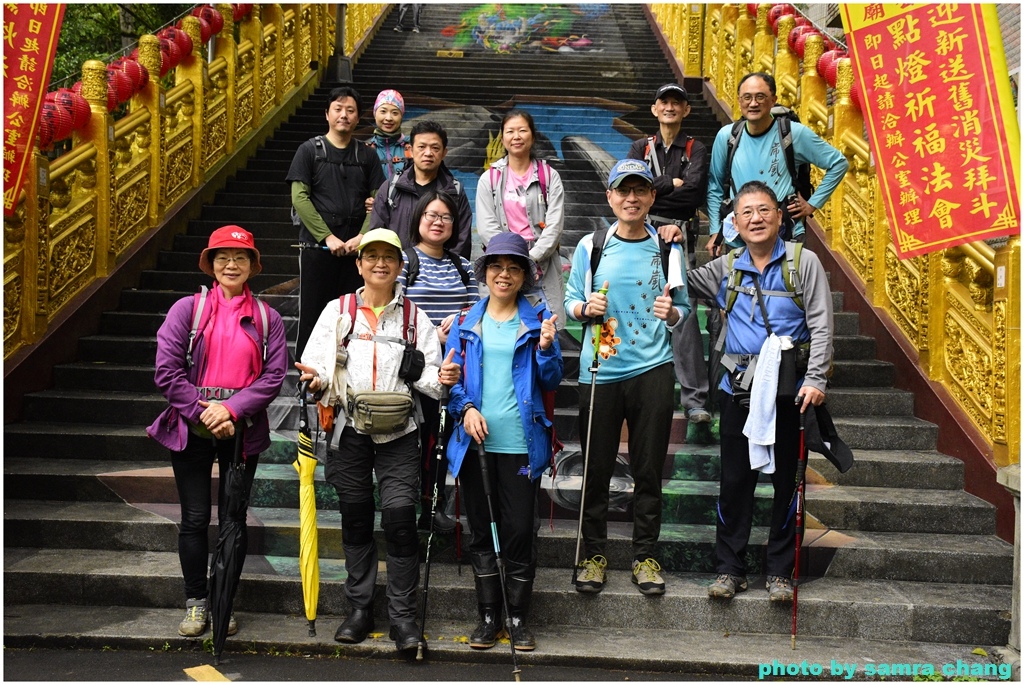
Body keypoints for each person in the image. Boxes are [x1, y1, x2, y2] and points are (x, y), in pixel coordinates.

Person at [295, 228, 461, 653]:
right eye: (372, 257)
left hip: (400, 434)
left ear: (401, 266)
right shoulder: (338, 310)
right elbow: (316, 369)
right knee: (355, 520)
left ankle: (403, 617)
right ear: (359, 264)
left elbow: (433, 384)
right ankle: (360, 609)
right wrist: (314, 382)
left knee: (402, 523)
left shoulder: (414, 318)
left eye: (390, 257)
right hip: (349, 432)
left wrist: (440, 377)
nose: (380, 264)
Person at [687, 181, 834, 603]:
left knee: (786, 482)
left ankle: (779, 572)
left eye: (764, 210)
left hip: (791, 389)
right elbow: (680, 286)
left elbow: (823, 325)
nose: (756, 218)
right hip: (737, 389)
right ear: (734, 223)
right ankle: (729, 569)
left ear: (780, 216)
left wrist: (816, 378)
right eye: (746, 212)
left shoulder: (802, 263)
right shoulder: (726, 267)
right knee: (735, 481)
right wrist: (674, 244)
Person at [147, 225, 288, 638]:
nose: (231, 264)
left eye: (240, 258)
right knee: (193, 518)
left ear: (252, 266)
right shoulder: (186, 310)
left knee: (233, 518)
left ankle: (224, 600)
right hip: (191, 426)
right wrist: (202, 411)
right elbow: (167, 371)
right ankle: (196, 603)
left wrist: (229, 409)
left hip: (241, 428)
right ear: (210, 263)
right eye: (223, 257)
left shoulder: (268, 317)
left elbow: (273, 376)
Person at [563, 159, 690, 597]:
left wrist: (673, 314)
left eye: (640, 191)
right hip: (600, 369)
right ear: (610, 197)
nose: (631, 198)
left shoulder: (668, 247)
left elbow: (684, 308)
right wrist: (584, 311)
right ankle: (593, 555)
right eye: (623, 191)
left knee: (648, 467)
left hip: (653, 368)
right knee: (596, 466)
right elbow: (570, 302)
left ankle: (645, 556)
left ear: (652, 198)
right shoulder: (591, 245)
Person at [445, 232, 563, 652]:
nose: (504, 274)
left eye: (513, 267)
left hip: (519, 444)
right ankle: (489, 617)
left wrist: (547, 348)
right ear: (485, 271)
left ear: (524, 276)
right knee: (481, 531)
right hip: (476, 445)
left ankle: (517, 618)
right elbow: (451, 381)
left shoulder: (537, 323)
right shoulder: (464, 323)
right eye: (497, 266)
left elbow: (550, 380)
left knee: (516, 531)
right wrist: (466, 409)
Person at [627, 83, 711, 424]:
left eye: (678, 102)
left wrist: (657, 187)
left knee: (683, 312)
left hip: (679, 238)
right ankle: (632, 385)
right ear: (654, 108)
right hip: (642, 234)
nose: (670, 107)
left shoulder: (695, 147)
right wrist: (669, 184)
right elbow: (633, 190)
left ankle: (695, 400)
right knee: (635, 303)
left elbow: (692, 194)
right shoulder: (639, 146)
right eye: (664, 101)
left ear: (686, 110)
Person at [397, 190, 480, 531]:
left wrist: (459, 320)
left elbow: (478, 311)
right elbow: (394, 311)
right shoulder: (404, 262)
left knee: (440, 439)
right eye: (431, 215)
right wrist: (432, 332)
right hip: (412, 369)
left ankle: (433, 507)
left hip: (452, 371)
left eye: (445, 217)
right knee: (410, 440)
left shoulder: (464, 267)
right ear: (418, 220)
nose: (438, 222)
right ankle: (403, 504)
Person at [287, 86, 386, 357]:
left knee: (354, 314)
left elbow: (380, 198)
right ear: (327, 114)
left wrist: (363, 236)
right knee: (313, 313)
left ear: (357, 118)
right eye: (338, 109)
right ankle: (307, 380)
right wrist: (326, 237)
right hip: (317, 249)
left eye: (350, 110)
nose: (344, 115)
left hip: (356, 250)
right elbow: (300, 198)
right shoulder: (309, 151)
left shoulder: (366, 155)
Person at [706, 72, 848, 257]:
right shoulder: (727, 136)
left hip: (785, 231)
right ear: (739, 101)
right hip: (740, 235)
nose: (753, 103)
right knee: (742, 285)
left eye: (760, 97)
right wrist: (715, 231)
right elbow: (715, 185)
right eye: (747, 97)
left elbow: (838, 163)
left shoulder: (792, 134)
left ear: (773, 100)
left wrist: (813, 204)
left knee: (785, 285)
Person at [477, 109, 566, 327]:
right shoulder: (489, 178)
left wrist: (531, 259)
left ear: (532, 136)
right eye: (510, 131)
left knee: (546, 332)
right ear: (503, 137)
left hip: (541, 267)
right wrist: (513, 260)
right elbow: (487, 228)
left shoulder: (549, 176)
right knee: (503, 328)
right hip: (503, 268)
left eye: (522, 130)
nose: (516, 136)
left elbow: (554, 227)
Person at [369, 120, 473, 259]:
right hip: (398, 273)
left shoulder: (454, 191)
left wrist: (447, 272)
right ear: (410, 151)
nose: (428, 153)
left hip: (441, 276)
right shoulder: (391, 187)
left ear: (444, 153)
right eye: (421, 147)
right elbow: (377, 235)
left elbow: (462, 240)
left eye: (435, 148)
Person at [368, 89, 409, 181]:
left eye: (395, 113)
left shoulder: (413, 146)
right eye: (383, 111)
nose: (389, 118)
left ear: (401, 116)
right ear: (375, 114)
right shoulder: (366, 150)